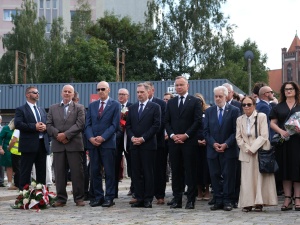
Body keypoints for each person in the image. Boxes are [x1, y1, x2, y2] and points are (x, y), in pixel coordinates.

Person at [165, 76, 202, 209]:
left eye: (181, 85)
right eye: (177, 85)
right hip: (174, 143)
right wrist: (173, 135)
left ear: (188, 86)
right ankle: (177, 199)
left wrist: (186, 135)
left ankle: (191, 200)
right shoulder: (171, 102)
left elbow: (198, 121)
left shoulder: (195, 102)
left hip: (189, 142)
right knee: (176, 171)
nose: (178, 87)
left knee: (190, 171)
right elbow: (167, 121)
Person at [236, 96, 277, 212]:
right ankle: (247, 203)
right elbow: (238, 137)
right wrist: (246, 148)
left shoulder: (262, 116)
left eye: (249, 104)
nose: (246, 107)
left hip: (260, 150)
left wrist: (253, 148)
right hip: (246, 153)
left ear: (254, 105)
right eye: (244, 105)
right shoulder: (239, 119)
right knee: (247, 179)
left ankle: (259, 202)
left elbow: (264, 135)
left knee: (260, 178)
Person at [47, 84, 86, 207]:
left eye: (70, 92)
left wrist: (66, 135)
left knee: (77, 173)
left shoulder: (79, 108)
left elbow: (80, 124)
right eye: (65, 91)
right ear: (61, 93)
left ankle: (79, 198)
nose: (67, 93)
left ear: (73, 94)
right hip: (58, 145)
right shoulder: (53, 108)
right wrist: (58, 135)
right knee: (59, 173)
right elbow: (48, 125)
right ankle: (61, 198)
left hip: (74, 144)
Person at [204, 86, 240, 211]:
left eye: (220, 96)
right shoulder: (209, 111)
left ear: (226, 96)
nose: (218, 98)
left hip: (228, 150)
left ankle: (227, 200)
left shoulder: (234, 110)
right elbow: (206, 131)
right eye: (216, 96)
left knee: (228, 176)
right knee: (214, 175)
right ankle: (218, 200)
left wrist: (226, 144)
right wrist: (213, 144)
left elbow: (236, 131)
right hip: (212, 150)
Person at [85, 81, 120, 208]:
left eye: (103, 89)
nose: (100, 91)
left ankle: (109, 197)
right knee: (94, 171)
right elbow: (87, 124)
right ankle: (98, 197)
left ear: (108, 90)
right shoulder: (92, 105)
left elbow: (114, 125)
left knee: (109, 172)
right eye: (98, 89)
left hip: (108, 143)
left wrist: (103, 137)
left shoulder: (115, 105)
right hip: (93, 144)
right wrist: (90, 138)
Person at [126, 83, 161, 208]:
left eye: (142, 92)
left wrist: (143, 138)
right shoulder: (133, 108)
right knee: (136, 172)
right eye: (138, 92)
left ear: (148, 92)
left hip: (148, 145)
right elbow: (128, 126)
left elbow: (156, 126)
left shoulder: (155, 107)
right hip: (134, 145)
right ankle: (139, 198)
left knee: (148, 172)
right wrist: (132, 138)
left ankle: (148, 199)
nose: (139, 94)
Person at [270, 81, 300, 211]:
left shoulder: (299, 105)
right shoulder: (278, 107)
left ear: (295, 90)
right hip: (284, 142)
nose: (289, 91)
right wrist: (281, 131)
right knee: (285, 169)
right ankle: (287, 198)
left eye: (291, 89)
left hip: (298, 142)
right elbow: (272, 123)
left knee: (297, 169)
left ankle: (298, 198)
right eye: (286, 89)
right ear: (283, 91)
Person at [15, 86, 50, 190]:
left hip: (42, 144)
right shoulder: (21, 109)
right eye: (34, 92)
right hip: (28, 145)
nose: (37, 94)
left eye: (38, 92)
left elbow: (48, 123)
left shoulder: (41, 109)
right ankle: (23, 196)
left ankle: (42, 196)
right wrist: (34, 126)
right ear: (27, 95)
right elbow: (18, 124)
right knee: (25, 172)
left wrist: (45, 127)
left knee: (41, 172)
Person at [146, 81, 167, 205]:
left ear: (152, 90)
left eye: (147, 90)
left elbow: (162, 122)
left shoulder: (161, 104)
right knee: (145, 170)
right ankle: (144, 193)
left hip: (158, 141)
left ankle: (160, 194)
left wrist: (149, 134)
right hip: (143, 143)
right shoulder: (137, 105)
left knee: (159, 169)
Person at [115, 88, 132, 199]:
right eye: (119, 94)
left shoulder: (132, 106)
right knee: (115, 165)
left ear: (128, 96)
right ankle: (113, 190)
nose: (121, 96)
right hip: (116, 139)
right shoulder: (114, 106)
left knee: (131, 164)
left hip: (128, 139)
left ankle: (133, 188)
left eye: (123, 94)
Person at [194, 93, 211, 201]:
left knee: (207, 168)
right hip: (195, 145)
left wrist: (206, 140)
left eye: (200, 101)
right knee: (197, 169)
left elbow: (210, 128)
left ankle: (207, 190)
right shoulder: (190, 115)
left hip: (206, 144)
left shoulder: (207, 113)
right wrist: (196, 140)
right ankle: (199, 191)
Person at [0, 118, 14, 188]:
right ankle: (9, 182)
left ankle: (16, 182)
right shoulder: (6, 128)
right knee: (9, 166)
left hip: (17, 150)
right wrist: (0, 148)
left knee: (17, 166)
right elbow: (0, 137)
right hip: (7, 149)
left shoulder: (18, 129)